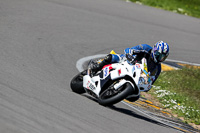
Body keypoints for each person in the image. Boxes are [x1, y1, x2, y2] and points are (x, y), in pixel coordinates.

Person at [91, 40, 169, 85]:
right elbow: (129, 49)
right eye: (158, 55)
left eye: (162, 57)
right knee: (111, 57)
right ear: (154, 50)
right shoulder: (146, 48)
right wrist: (129, 55)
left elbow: (151, 83)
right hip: (128, 61)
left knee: (135, 97)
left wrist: (147, 81)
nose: (160, 58)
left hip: (136, 76)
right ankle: (98, 66)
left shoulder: (157, 68)